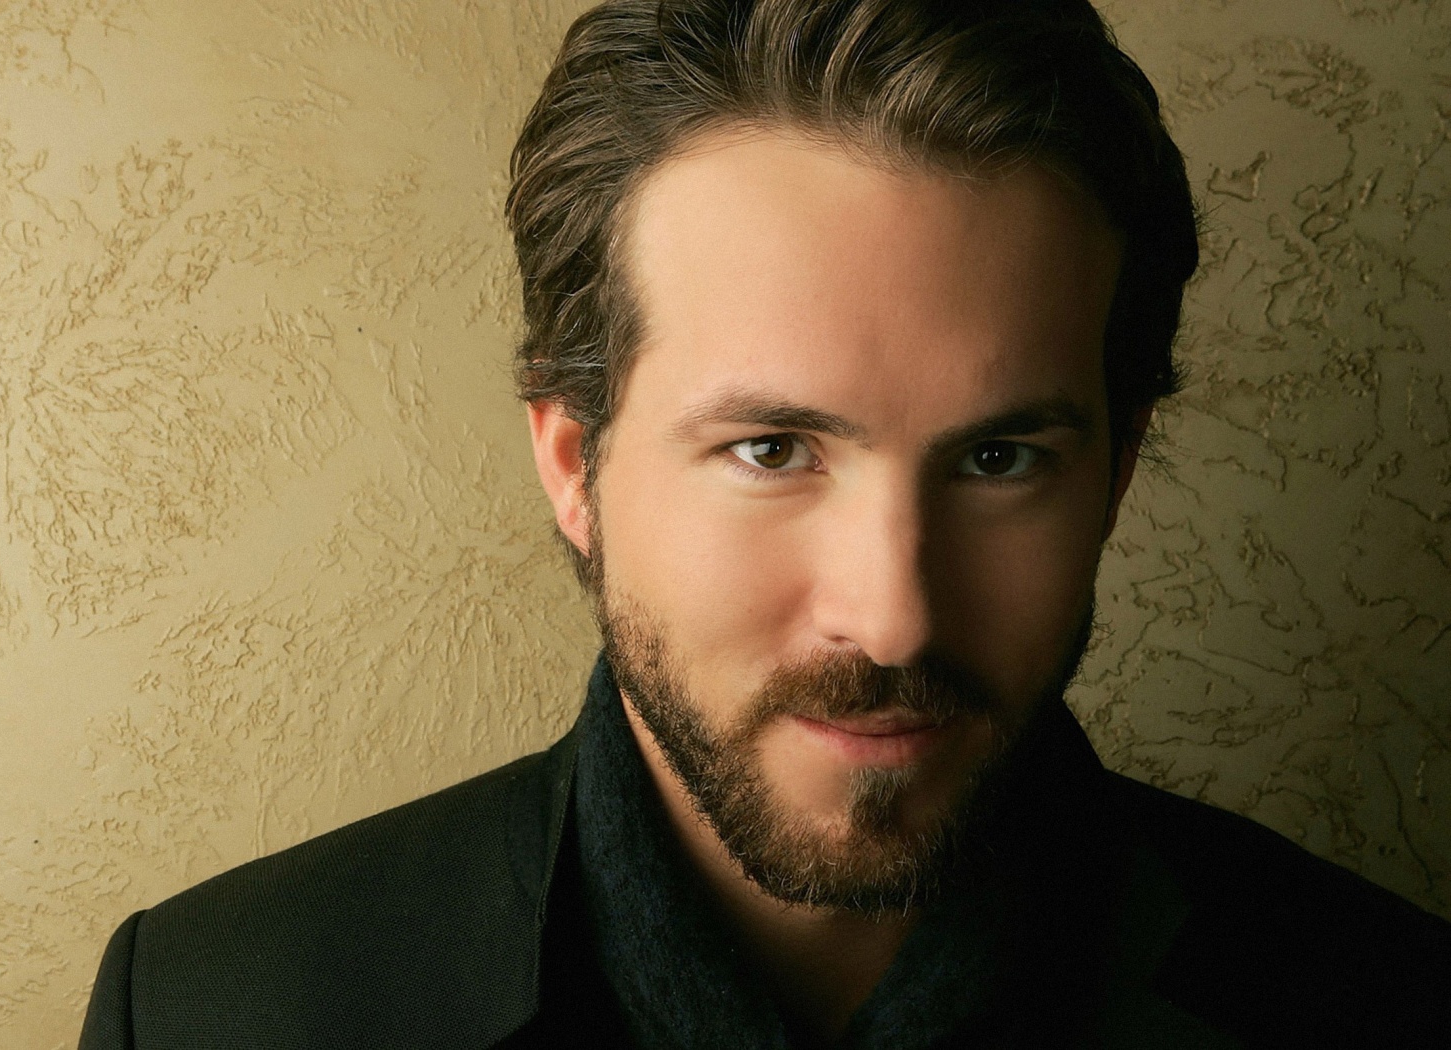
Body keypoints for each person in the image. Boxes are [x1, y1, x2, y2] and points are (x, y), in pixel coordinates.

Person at [77, 1, 1451, 1047]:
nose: (893, 617)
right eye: (771, 449)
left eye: (999, 458)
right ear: (575, 465)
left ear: (1119, 471)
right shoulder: (211, 1011)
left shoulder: (1386, 1002)